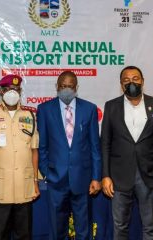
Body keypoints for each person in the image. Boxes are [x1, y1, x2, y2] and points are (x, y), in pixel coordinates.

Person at [101, 66, 153, 240]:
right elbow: (105, 144)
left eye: (135, 78)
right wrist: (106, 175)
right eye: (126, 80)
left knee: (150, 227)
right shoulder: (111, 106)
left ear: (142, 81)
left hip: (148, 175)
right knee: (120, 226)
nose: (131, 82)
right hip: (118, 177)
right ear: (121, 84)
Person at [37, 71, 102, 240]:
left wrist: (96, 177)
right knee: (57, 230)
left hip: (83, 180)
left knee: (83, 230)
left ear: (76, 88)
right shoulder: (44, 109)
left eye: (70, 86)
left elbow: (95, 147)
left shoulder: (89, 109)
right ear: (57, 87)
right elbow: (42, 146)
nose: (66, 89)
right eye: (63, 86)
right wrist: (47, 173)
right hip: (56, 180)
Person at [0, 74, 40, 240]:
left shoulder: (30, 115)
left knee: (24, 235)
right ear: (1, 91)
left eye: (16, 89)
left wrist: (35, 182)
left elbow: (34, 150)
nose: (12, 92)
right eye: (8, 89)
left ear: (20, 91)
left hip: (24, 186)